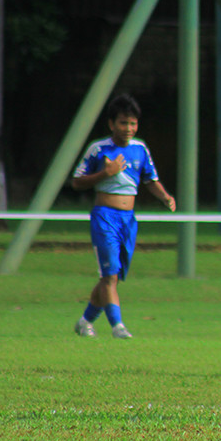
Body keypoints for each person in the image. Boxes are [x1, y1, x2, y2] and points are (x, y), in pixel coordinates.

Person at [71, 93, 176, 340]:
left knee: (113, 276)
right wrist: (105, 173)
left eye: (132, 123)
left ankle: (85, 321)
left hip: (128, 220)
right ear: (111, 124)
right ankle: (117, 326)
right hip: (105, 217)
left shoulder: (140, 149)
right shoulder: (99, 149)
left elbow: (150, 179)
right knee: (109, 275)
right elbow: (76, 182)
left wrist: (165, 197)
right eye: (123, 123)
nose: (128, 128)